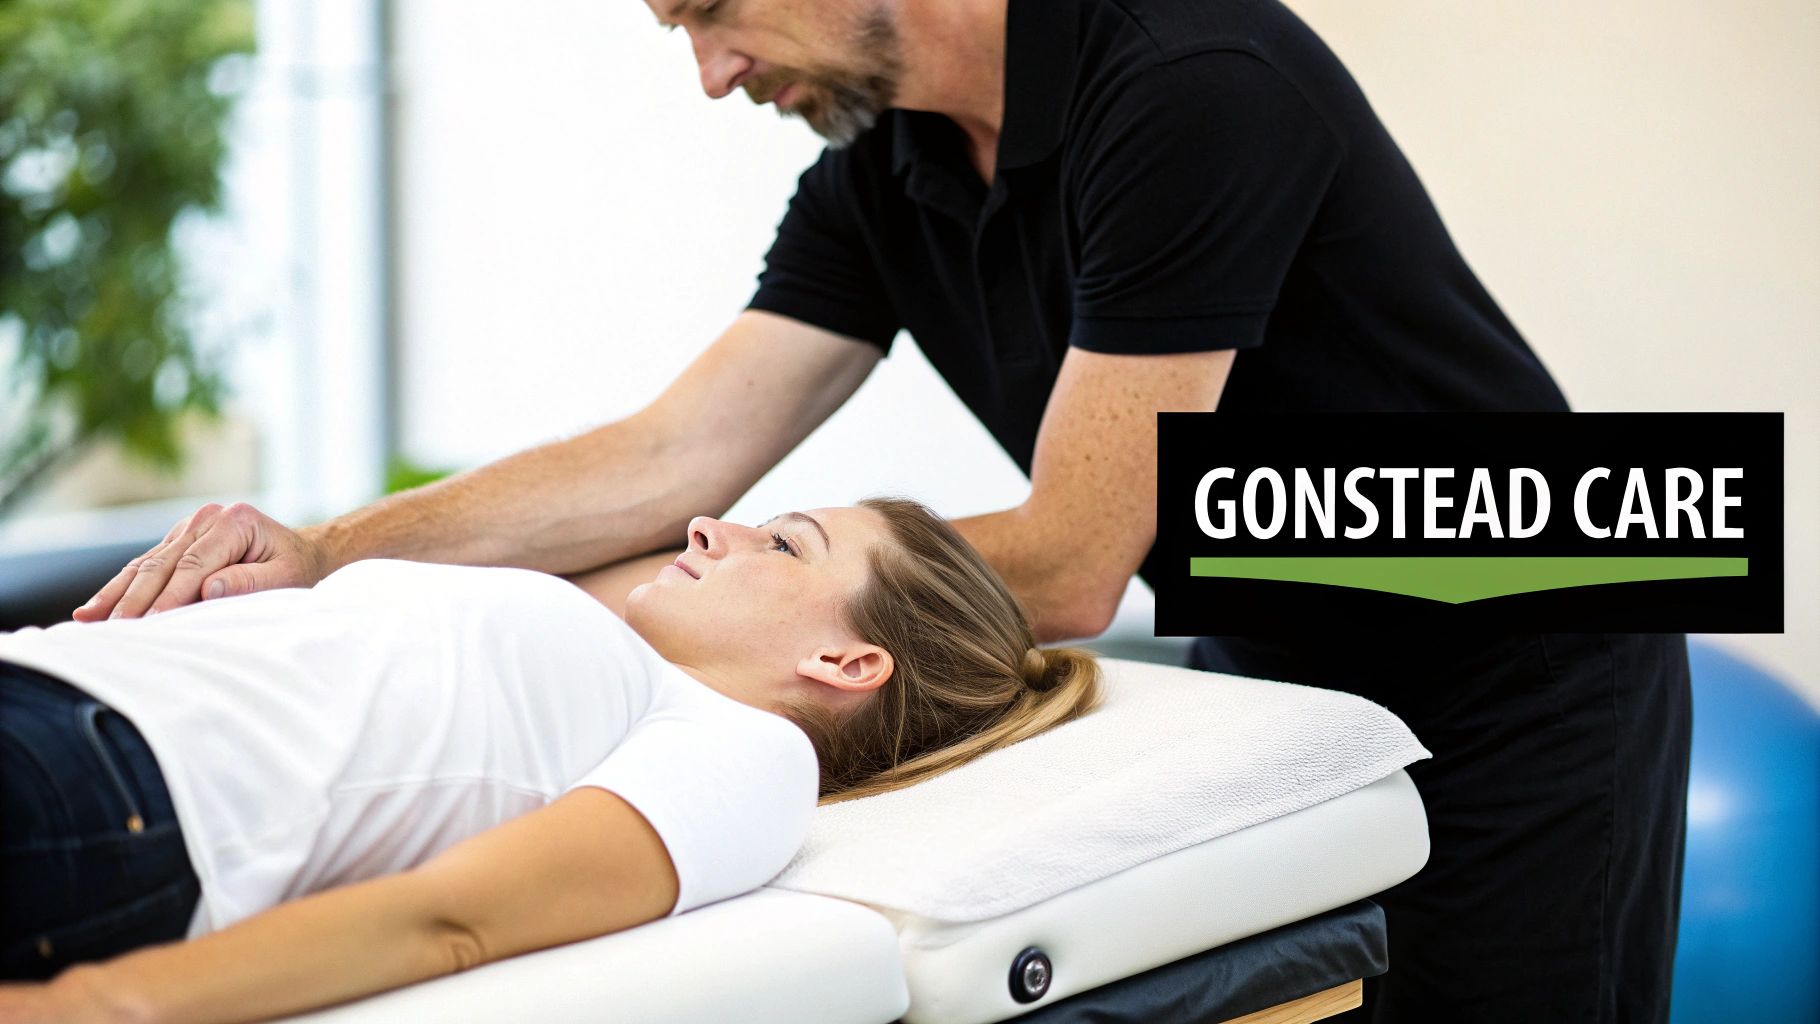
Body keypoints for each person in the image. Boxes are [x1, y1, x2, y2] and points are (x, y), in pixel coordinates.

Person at [73, 0, 1690, 1019]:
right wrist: (327, 544)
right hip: (1279, 605)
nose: (714, 76)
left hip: (1531, 584)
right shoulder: (882, 173)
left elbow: (1068, 559)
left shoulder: (1195, 70)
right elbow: (674, 449)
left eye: (711, 17)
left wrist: (683, 584)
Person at [0, 497, 1102, 1021]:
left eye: (783, 543)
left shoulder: (751, 757)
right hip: (53, 699)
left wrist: (97, 1010)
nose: (713, 526)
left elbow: (449, 918)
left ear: (847, 659)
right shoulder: (618, 660)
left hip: (99, 785)